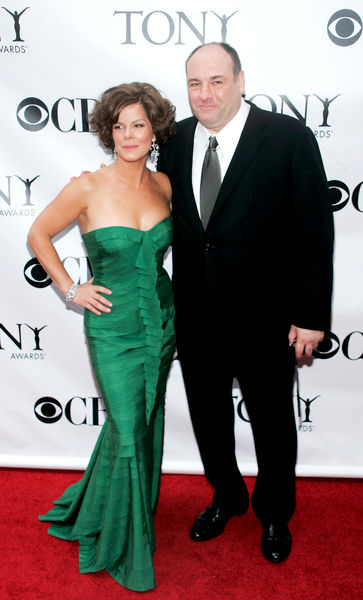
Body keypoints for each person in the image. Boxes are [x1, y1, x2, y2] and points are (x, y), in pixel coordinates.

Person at [158, 43, 334, 562]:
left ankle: (274, 512)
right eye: (194, 84)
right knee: (209, 419)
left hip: (268, 318)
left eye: (216, 81)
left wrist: (310, 316)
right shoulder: (175, 140)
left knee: (274, 423)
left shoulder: (286, 137)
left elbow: (313, 233)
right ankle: (227, 496)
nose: (205, 94)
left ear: (239, 79)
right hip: (197, 314)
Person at [28, 82, 176, 592]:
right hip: (112, 326)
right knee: (128, 425)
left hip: (162, 318)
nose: (128, 135)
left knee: (142, 422)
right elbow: (38, 234)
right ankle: (125, 544)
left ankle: (116, 509)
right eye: (119, 126)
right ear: (107, 131)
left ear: (154, 128)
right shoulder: (87, 186)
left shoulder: (164, 186)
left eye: (138, 124)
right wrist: (72, 290)